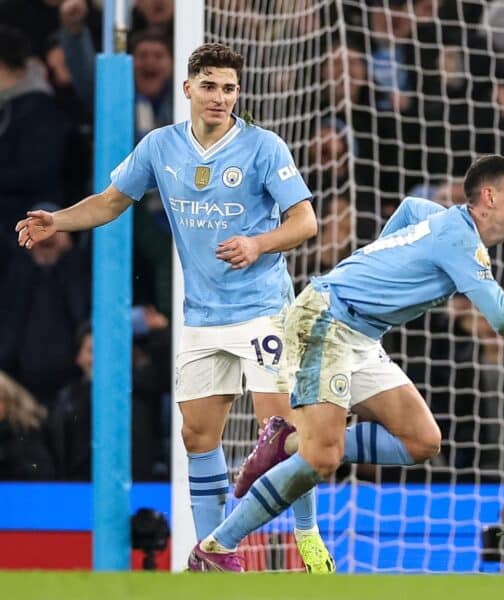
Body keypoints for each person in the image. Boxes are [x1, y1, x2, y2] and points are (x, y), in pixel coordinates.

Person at [186, 154, 504, 571]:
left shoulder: (448, 220)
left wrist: (382, 261)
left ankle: (290, 444)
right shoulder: (461, 240)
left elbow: (412, 209)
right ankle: (217, 545)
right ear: (489, 197)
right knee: (324, 459)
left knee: (422, 441)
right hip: (327, 320)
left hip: (362, 333)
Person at [14, 43, 332, 572]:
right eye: (209, 86)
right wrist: (59, 220)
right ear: (188, 88)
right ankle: (216, 552)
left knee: (282, 433)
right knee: (196, 435)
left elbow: (305, 222)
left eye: (229, 88)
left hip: (263, 308)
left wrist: (258, 244)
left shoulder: (263, 146)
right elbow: (112, 200)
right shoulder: (160, 146)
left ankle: (307, 532)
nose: (220, 97)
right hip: (203, 316)